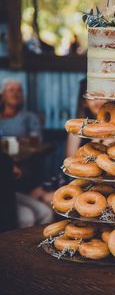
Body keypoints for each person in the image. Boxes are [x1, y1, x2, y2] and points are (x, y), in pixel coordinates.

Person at [0, 79, 53, 228]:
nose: (16, 94)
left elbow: (35, 142)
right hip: (6, 176)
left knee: (43, 213)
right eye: (11, 90)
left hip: (23, 175)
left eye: (19, 90)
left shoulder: (29, 117)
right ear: (3, 95)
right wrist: (19, 141)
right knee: (26, 218)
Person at [66, 78, 115, 157]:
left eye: (102, 95)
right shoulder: (76, 131)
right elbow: (68, 167)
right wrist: (95, 145)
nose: (99, 101)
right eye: (92, 97)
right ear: (84, 102)